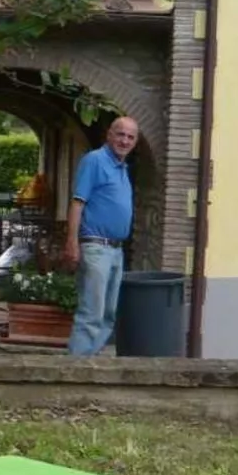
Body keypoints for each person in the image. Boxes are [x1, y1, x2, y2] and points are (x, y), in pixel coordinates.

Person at [60, 116, 139, 357]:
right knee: (91, 313)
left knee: (108, 315)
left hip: (115, 250)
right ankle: (75, 369)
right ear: (109, 135)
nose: (124, 141)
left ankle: (89, 364)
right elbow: (77, 203)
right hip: (95, 247)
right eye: (120, 134)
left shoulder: (122, 168)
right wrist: (72, 242)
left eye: (130, 137)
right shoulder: (95, 160)